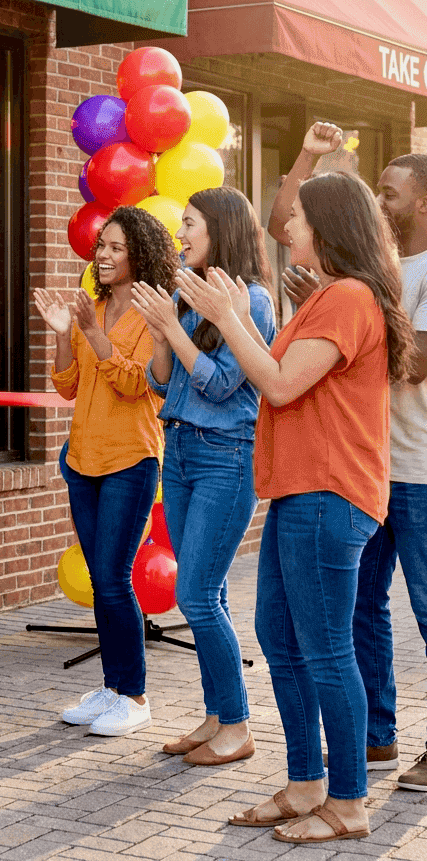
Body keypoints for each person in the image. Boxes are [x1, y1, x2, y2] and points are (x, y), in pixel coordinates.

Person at [177, 152, 415, 843]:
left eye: (302, 218)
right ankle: (308, 781)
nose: (288, 227)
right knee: (282, 638)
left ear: (330, 226)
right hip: (299, 492)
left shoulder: (348, 298)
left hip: (327, 495)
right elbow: (282, 373)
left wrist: (228, 313)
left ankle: (347, 802)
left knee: (326, 650)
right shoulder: (330, 292)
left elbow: (277, 384)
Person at [271, 138, 427, 791]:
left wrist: (334, 329)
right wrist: (305, 159)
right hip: (365, 471)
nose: (382, 200)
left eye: (390, 191)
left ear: (423, 200)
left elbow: (412, 364)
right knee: (361, 612)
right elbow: (285, 219)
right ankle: (377, 737)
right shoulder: (376, 270)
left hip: (417, 469)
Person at [130, 187, 276, 765]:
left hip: (225, 458)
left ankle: (238, 726)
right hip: (183, 451)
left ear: (220, 230)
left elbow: (219, 384)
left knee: (194, 594)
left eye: (188, 223)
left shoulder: (252, 301)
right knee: (205, 591)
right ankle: (216, 715)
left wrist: (177, 325)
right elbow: (163, 383)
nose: (179, 234)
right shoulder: (188, 293)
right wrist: (164, 328)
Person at [35, 205, 178, 737]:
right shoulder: (90, 305)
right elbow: (67, 385)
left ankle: (135, 696)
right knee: (101, 580)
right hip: (83, 460)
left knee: (115, 579)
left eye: (118, 247)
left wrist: (95, 334)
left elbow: (136, 383)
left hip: (130, 461)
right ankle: (113, 686)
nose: (106, 255)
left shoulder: (151, 313)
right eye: (102, 246)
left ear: (140, 253)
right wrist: (61, 331)